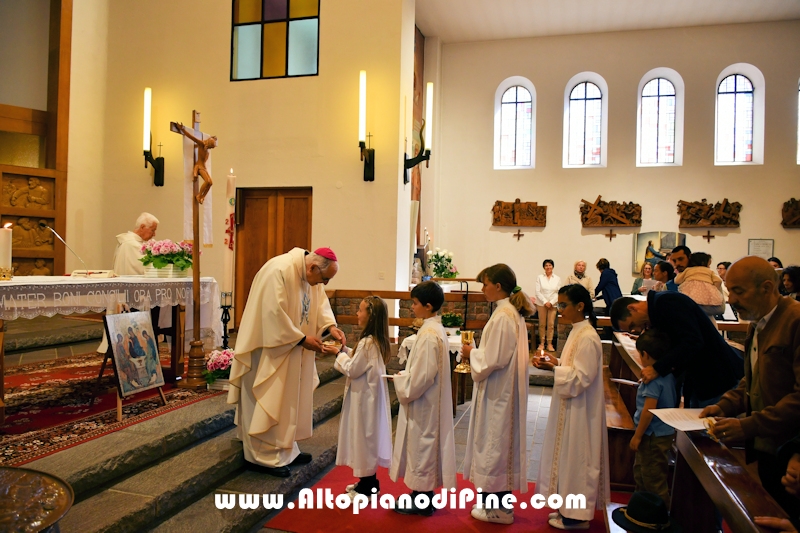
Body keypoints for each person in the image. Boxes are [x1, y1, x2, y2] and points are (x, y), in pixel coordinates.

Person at [227, 248, 345, 477]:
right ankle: (262, 456)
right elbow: (272, 315)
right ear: (312, 268)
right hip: (269, 351)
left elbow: (319, 303)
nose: (324, 284)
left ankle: (286, 449)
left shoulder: (310, 276)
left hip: (293, 350)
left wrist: (330, 326)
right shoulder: (278, 271)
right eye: (324, 279)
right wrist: (301, 338)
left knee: (288, 399)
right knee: (269, 397)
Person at [700, 256, 800, 518]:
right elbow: (752, 379)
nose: (730, 299)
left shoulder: (795, 321)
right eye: (730, 290)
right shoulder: (758, 322)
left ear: (767, 288)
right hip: (767, 447)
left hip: (792, 453)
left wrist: (747, 426)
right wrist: (725, 405)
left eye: (738, 291)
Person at [461, 264, 533, 525]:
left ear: (499, 286)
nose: (482, 289)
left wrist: (472, 354)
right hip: (500, 390)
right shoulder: (507, 312)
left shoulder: (504, 315)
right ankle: (494, 504)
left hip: (498, 393)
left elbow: (494, 359)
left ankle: (498, 510)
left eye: (485, 284)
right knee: (496, 446)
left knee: (495, 447)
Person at [533, 284, 610, 530]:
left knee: (579, 459)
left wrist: (554, 369)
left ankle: (577, 518)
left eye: (563, 305)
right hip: (571, 408)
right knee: (569, 459)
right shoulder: (578, 331)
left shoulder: (587, 337)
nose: (559, 309)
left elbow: (582, 378)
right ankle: (568, 511)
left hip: (582, 411)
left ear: (580, 306)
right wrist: (555, 361)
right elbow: (573, 366)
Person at [391, 281, 456, 517]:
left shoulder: (429, 335)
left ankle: (421, 501)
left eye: (415, 303)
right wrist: (408, 375)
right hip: (429, 400)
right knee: (423, 446)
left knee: (422, 447)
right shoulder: (433, 329)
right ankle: (422, 496)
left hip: (424, 403)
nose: (412, 307)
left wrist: (403, 382)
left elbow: (424, 376)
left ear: (428, 306)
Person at [610, 292, 743, 408]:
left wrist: (657, 368)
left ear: (632, 308)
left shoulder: (667, 302)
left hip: (718, 377)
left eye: (633, 325)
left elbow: (692, 341)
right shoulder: (658, 310)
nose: (637, 330)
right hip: (700, 382)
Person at [335, 296, 393, 500]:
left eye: (361, 311)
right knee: (367, 437)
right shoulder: (374, 341)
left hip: (365, 400)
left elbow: (353, 369)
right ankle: (367, 482)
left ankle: (367, 488)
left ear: (371, 316)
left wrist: (338, 355)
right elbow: (361, 360)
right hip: (369, 397)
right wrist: (345, 351)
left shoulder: (368, 342)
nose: (357, 314)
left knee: (364, 438)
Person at [629, 329, 676, 505]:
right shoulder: (667, 374)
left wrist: (637, 435)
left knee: (652, 478)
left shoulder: (652, 380)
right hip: (661, 434)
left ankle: (659, 517)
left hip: (651, 435)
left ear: (645, 355)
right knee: (643, 472)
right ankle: (642, 510)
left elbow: (648, 411)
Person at [174, 122, 217, 204]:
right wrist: (182, 129)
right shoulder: (201, 143)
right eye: (210, 146)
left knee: (211, 182)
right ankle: (199, 195)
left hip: (204, 167)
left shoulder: (207, 148)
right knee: (208, 181)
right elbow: (191, 137)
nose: (210, 148)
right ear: (208, 142)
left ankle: (202, 197)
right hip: (200, 166)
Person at [535, 259, 561, 352]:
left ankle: (549, 343)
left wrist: (551, 302)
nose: (548, 267)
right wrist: (545, 301)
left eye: (550, 265)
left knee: (551, 324)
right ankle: (541, 343)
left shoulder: (557, 278)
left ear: (552, 267)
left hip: (553, 304)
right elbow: (538, 292)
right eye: (546, 265)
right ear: (544, 267)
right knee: (542, 324)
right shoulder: (540, 277)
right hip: (542, 304)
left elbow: (558, 293)